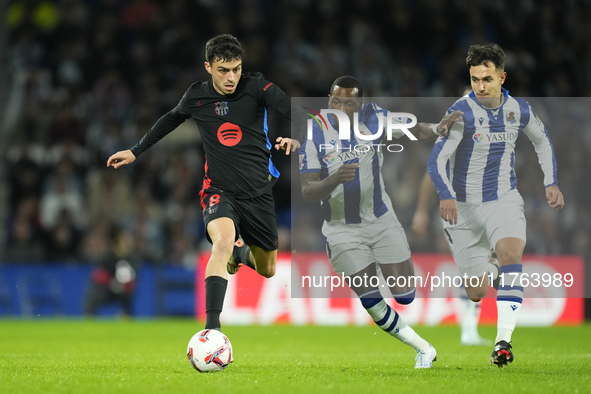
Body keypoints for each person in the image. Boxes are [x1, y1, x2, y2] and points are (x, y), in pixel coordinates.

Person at [107, 34, 302, 331]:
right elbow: (170, 119)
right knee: (221, 242)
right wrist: (135, 151)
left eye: (236, 68)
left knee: (268, 269)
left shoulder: (257, 86)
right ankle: (212, 331)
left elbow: (292, 110)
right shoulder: (196, 97)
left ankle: (240, 253)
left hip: (259, 193)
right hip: (219, 190)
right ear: (208, 67)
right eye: (223, 70)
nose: (232, 77)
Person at [299, 75, 460, 369]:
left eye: (349, 103)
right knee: (370, 298)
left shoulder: (376, 118)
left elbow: (414, 129)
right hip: (342, 231)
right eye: (336, 101)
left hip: (381, 221)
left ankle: (375, 264)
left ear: (360, 105)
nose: (341, 107)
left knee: (405, 294)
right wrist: (334, 178)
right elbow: (307, 190)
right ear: (328, 100)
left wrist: (437, 128)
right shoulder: (315, 134)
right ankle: (423, 348)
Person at [427, 44, 564, 368]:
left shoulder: (520, 110)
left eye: (487, 78)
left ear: (502, 77)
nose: (480, 86)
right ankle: (490, 267)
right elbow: (436, 162)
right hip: (463, 208)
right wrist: (445, 195)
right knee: (476, 292)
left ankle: (503, 341)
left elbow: (542, 140)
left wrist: (551, 182)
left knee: (512, 253)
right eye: (475, 79)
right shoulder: (460, 113)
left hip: (503, 199)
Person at [412, 170, 492, 346]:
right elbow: (431, 173)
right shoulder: (453, 143)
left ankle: (470, 331)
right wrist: (421, 211)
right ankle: (469, 332)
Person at [84, 226, 139, 317]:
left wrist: (124, 285)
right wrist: (111, 283)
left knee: (128, 298)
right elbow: (97, 274)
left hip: (123, 290)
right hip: (106, 289)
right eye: (123, 240)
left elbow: (134, 279)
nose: (125, 243)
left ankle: (125, 317)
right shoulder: (108, 256)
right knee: (93, 295)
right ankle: (88, 319)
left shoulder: (133, 259)